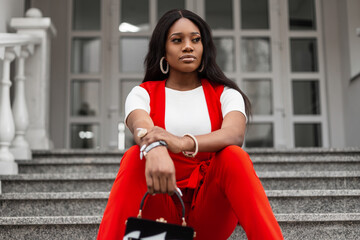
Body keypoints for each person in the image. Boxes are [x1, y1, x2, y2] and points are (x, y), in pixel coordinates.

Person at [97, 9, 284, 240]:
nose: (188, 46)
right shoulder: (142, 93)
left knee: (234, 156)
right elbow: (140, 125)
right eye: (177, 40)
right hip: (160, 211)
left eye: (195, 40)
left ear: (204, 48)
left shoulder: (226, 94)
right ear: (163, 50)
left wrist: (180, 142)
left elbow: (234, 134)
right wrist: (155, 148)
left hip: (209, 212)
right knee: (136, 156)